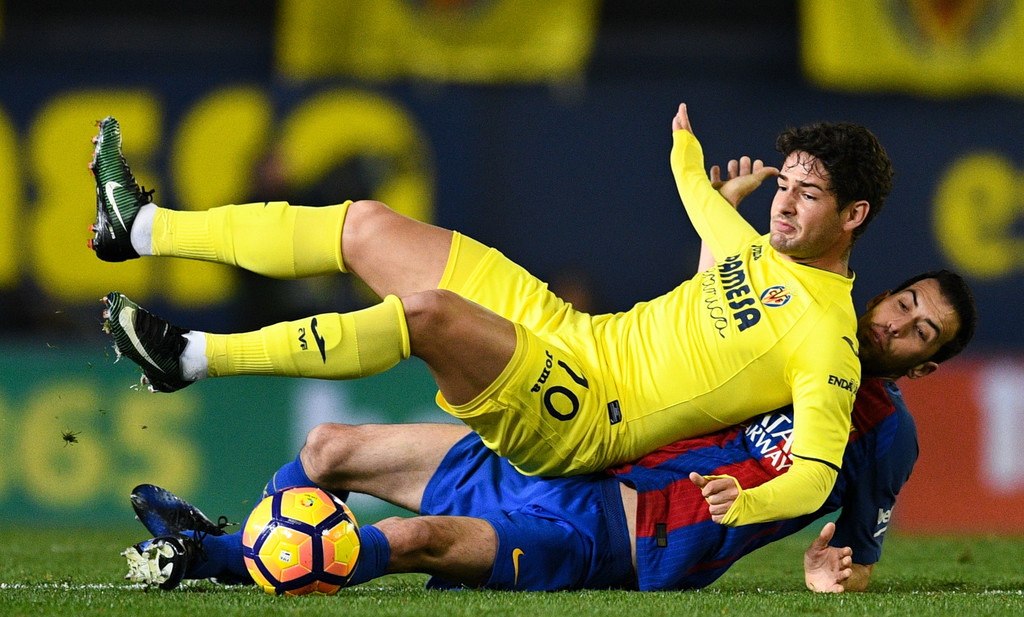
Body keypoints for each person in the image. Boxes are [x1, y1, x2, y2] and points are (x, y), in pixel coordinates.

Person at [91, 102, 896, 526]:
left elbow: (817, 470)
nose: (783, 205)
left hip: (586, 416)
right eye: (784, 185)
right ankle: (141, 229)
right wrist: (687, 149)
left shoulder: (826, 336)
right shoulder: (753, 246)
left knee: (429, 314)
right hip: (568, 334)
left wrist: (745, 500)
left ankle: (191, 357)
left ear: (853, 215)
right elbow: (697, 196)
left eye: (807, 194)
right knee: (367, 225)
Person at [121, 267, 977, 593]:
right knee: (327, 450)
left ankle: (207, 560)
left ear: (927, 362)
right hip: (577, 461)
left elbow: (857, 553)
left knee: (413, 535)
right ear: (878, 297)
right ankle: (223, 548)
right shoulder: (793, 333)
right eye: (903, 303)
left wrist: (836, 572)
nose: (899, 325)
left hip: (613, 535)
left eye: (921, 331)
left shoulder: (880, 432)